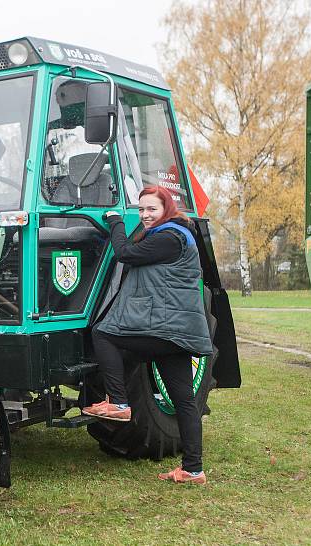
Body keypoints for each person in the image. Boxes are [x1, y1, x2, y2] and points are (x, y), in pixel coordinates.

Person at [84, 185, 213, 485]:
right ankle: (193, 469)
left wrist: (116, 222)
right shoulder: (174, 235)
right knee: (184, 400)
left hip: (166, 328)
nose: (145, 215)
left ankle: (118, 402)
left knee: (104, 334)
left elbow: (125, 253)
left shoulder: (170, 237)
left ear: (165, 208)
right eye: (141, 209)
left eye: (151, 209)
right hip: (175, 331)